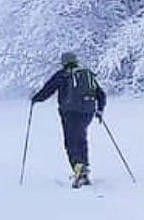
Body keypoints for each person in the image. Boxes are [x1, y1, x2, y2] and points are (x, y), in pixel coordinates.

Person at [31, 52, 107, 186]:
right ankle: (84, 168)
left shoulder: (62, 75)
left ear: (63, 62)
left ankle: (78, 168)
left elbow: (48, 90)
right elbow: (101, 94)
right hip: (88, 112)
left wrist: (35, 99)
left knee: (71, 141)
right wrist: (100, 110)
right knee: (81, 139)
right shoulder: (86, 74)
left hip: (70, 113)